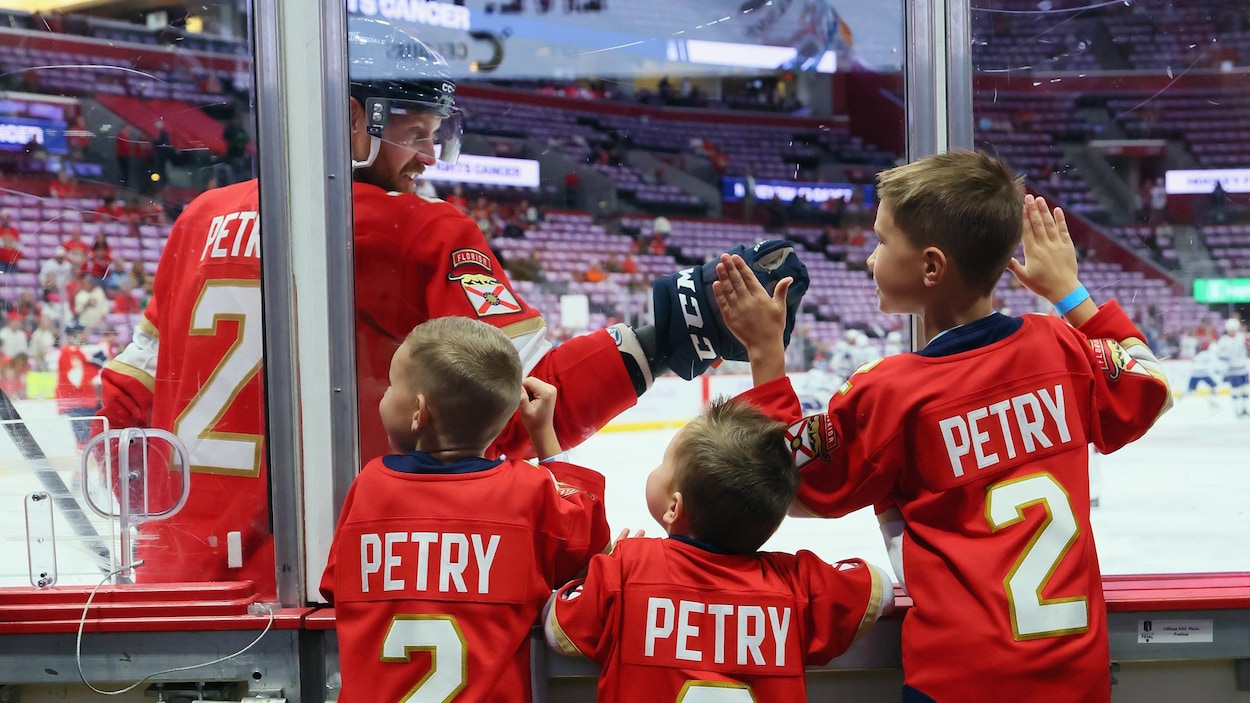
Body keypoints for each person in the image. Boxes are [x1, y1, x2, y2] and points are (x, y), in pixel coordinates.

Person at [98, 16, 807, 597]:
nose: (430, 157)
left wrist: (188, 526)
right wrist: (663, 338)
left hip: (183, 582)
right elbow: (522, 398)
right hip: (344, 572)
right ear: (351, 120)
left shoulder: (198, 218)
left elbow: (126, 401)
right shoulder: (425, 232)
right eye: (416, 132)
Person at [716, 151, 1172, 703]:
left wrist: (766, 355)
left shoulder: (890, 391)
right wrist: (1068, 292)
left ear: (931, 268)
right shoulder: (1059, 348)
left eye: (882, 241)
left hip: (957, 681)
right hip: (1075, 676)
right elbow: (1152, 387)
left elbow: (793, 485)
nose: (869, 258)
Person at [321, 317, 609, 702]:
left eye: (391, 385)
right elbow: (587, 542)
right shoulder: (528, 491)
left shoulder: (370, 486)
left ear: (418, 412)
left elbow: (333, 586)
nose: (383, 394)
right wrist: (545, 436)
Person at [543, 396, 893, 701]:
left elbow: (557, 627)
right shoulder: (795, 584)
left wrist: (601, 567)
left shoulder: (627, 568)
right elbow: (878, 588)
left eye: (663, 464)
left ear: (673, 508)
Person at [1215, 317, 1248, 417]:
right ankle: (1237, 410)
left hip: (1242, 368)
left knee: (1245, 390)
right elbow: (1219, 354)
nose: (1231, 331)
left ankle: (1245, 408)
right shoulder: (1223, 340)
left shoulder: (1242, 337)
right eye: (1230, 329)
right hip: (1233, 370)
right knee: (1236, 391)